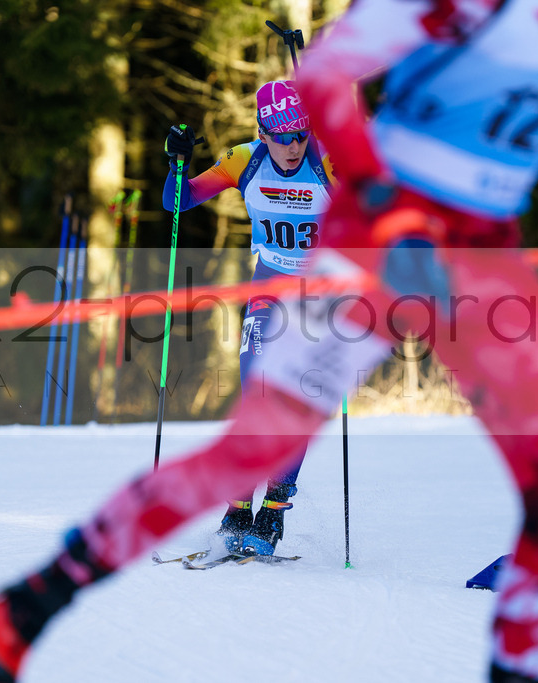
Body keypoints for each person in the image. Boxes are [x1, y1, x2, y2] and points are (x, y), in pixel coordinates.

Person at [0, 2, 538, 682]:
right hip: (374, 235)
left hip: (480, 255)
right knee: (250, 452)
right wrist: (381, 196)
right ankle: (13, 618)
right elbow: (323, 76)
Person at [161, 80, 335, 555]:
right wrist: (177, 164)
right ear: (264, 133)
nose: (294, 146)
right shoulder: (244, 160)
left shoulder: (328, 162)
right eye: (282, 137)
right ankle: (238, 505)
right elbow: (179, 202)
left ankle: (274, 512)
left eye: (301, 135)